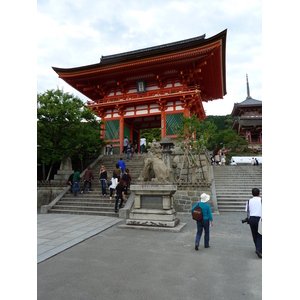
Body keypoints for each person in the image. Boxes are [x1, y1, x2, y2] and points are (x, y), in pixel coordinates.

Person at [245, 188, 262, 258]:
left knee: (254, 234)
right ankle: (259, 249)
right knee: (260, 234)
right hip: (260, 219)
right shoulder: (262, 200)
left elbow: (247, 210)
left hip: (252, 218)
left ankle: (257, 247)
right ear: (259, 193)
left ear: (252, 194)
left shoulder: (249, 201)